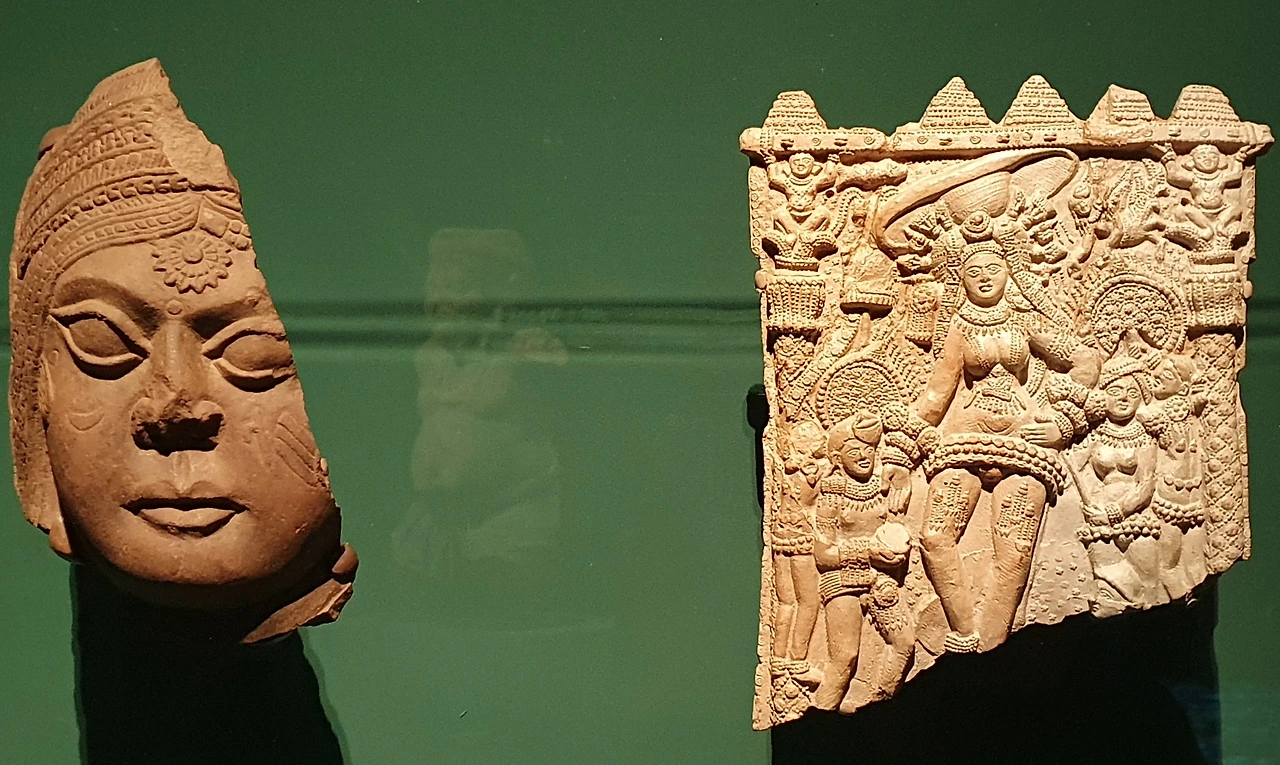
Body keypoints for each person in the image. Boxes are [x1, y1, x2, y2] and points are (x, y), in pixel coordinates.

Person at [914, 222, 1098, 652]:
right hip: (967, 437)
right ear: (961, 278)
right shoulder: (958, 330)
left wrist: (1064, 422)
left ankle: (993, 638)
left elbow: (1085, 361)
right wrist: (903, 436)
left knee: (1014, 549)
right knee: (935, 537)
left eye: (992, 268)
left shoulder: (1025, 322)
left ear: (1008, 271)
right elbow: (936, 396)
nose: (984, 277)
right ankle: (963, 630)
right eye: (973, 270)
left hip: (1024, 438)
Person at [811, 412, 913, 709]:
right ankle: (823, 707)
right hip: (841, 579)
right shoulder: (832, 495)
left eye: (868, 449)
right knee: (845, 657)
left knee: (905, 643)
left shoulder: (883, 488)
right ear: (837, 458)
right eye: (854, 450)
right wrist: (867, 551)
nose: (863, 456)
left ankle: (877, 697)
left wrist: (896, 550)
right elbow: (823, 555)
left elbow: (895, 531)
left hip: (879, 577)